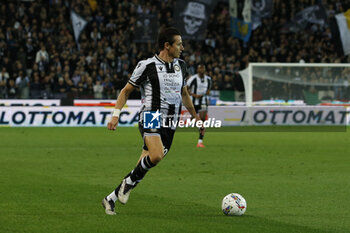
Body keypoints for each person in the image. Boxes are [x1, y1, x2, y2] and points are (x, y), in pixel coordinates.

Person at [102, 27, 201, 215]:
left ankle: (111, 198)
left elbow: (184, 94)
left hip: (171, 121)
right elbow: (125, 91)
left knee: (143, 165)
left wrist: (195, 116)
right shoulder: (146, 65)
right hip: (152, 115)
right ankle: (126, 186)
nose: (182, 47)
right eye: (179, 44)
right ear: (167, 45)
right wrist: (115, 115)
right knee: (156, 156)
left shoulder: (182, 66)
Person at [186, 64, 212, 148]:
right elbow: (186, 89)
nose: (201, 69)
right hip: (193, 102)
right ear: (197, 70)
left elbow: (208, 90)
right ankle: (192, 121)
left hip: (203, 101)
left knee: (203, 119)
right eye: (200, 68)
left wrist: (207, 93)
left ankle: (200, 141)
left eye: (203, 68)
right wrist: (193, 95)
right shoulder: (193, 78)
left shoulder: (208, 79)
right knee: (194, 118)